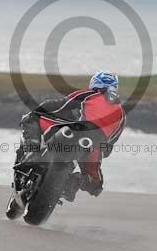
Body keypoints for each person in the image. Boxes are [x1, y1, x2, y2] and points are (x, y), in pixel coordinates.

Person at [16, 71, 125, 200]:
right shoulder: (122, 115)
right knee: (95, 185)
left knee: (32, 118)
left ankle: (32, 153)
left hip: (77, 131)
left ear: (95, 82)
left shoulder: (89, 94)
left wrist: (36, 111)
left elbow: (60, 105)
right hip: (94, 149)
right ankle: (74, 182)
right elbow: (108, 148)